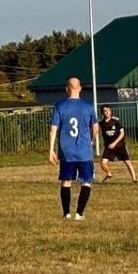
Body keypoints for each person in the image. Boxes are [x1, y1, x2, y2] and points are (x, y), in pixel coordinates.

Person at [48, 77, 98, 220]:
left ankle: (66, 213)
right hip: (84, 152)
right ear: (80, 88)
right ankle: (79, 213)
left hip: (66, 151)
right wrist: (91, 141)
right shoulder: (88, 106)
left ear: (66, 89)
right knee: (86, 181)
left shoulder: (59, 106)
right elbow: (95, 128)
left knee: (66, 181)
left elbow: (53, 129)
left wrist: (51, 150)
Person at [99, 105, 137, 183]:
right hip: (109, 147)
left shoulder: (116, 121)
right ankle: (109, 173)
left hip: (120, 146)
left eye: (108, 110)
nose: (107, 112)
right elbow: (98, 131)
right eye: (105, 111)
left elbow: (122, 133)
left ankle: (134, 179)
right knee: (102, 163)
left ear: (111, 111)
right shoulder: (101, 123)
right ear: (102, 113)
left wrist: (114, 143)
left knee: (127, 163)